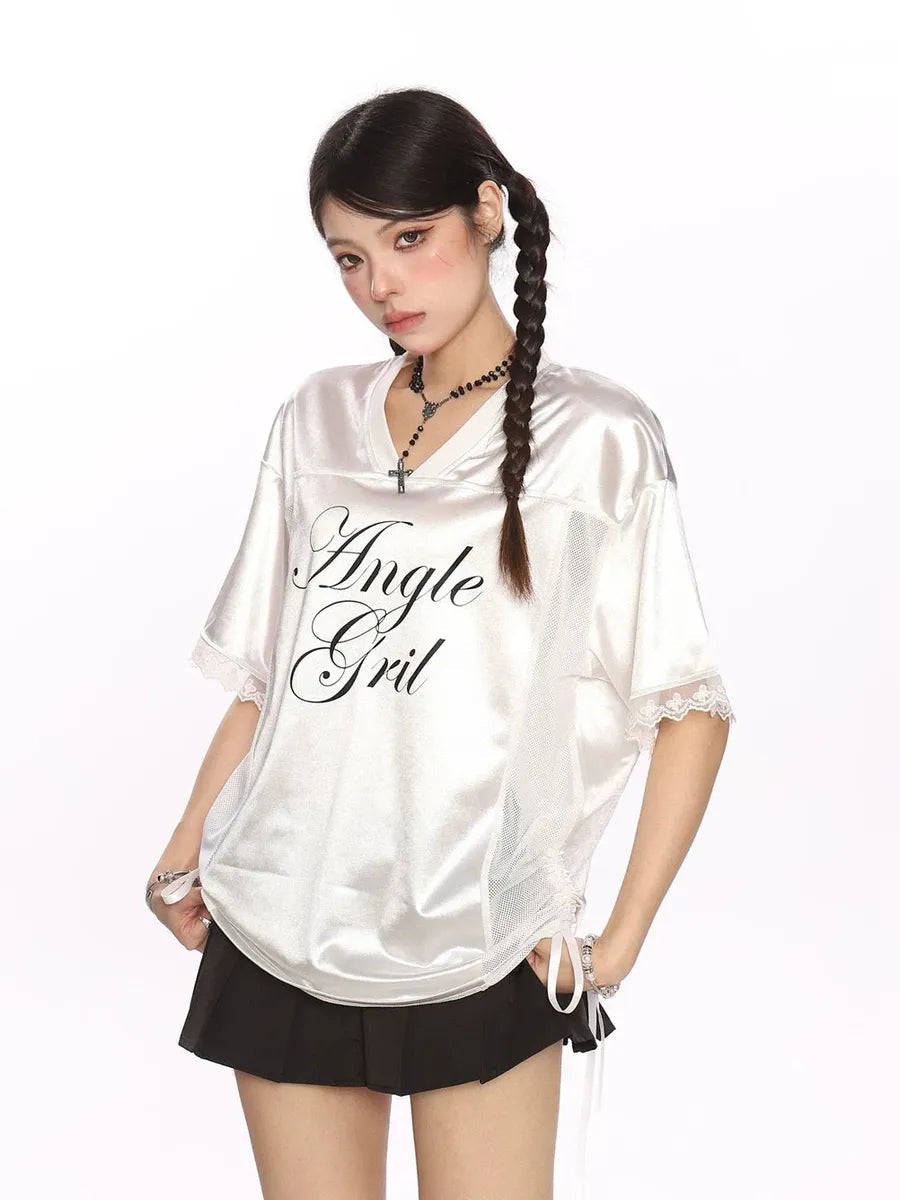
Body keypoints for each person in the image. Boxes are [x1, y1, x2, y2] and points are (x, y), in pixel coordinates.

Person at [147, 87, 735, 1200]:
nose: (382, 284)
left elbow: (688, 704)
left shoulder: (597, 438)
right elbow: (272, 676)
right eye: (350, 258)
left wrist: (615, 942)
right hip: (280, 915)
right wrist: (186, 849)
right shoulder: (315, 420)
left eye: (409, 239)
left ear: (487, 210)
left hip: (482, 931)